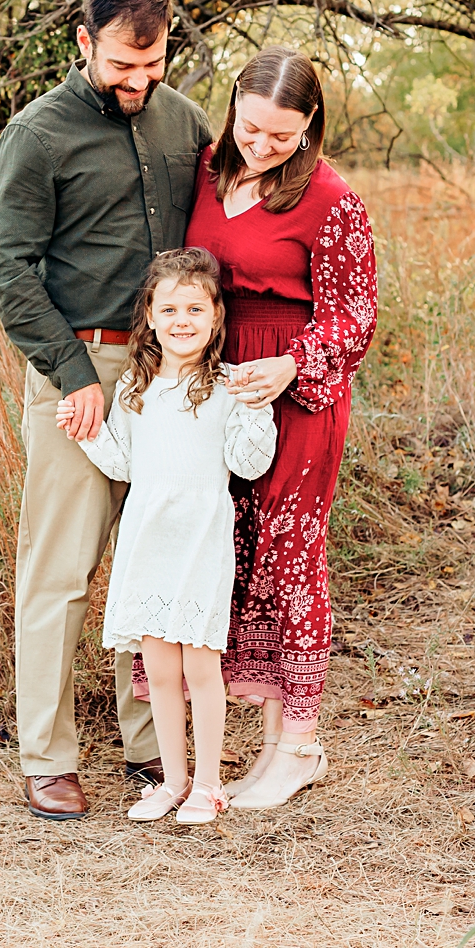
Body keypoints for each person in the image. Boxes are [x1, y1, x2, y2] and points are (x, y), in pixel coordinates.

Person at [0, 0, 217, 820]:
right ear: (84, 43)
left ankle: (153, 746)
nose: (138, 81)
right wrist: (73, 380)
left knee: (157, 559)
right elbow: (7, 272)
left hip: (170, 376)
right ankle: (46, 757)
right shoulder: (36, 135)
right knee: (61, 571)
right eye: (123, 64)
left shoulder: (182, 119)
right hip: (79, 372)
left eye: (151, 65)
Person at [182, 45, 378, 810]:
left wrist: (295, 365)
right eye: (252, 128)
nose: (262, 145)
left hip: (293, 391)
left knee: (291, 554)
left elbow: (355, 315)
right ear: (233, 104)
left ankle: (296, 744)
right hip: (218, 380)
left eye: (282, 135)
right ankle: (256, 742)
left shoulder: (330, 199)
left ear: (311, 127)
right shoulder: (204, 170)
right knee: (229, 551)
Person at [64, 249, 277, 824]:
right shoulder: (137, 385)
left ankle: (209, 784)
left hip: (201, 537)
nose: (182, 320)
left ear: (215, 318)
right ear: (151, 318)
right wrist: (85, 433)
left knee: (201, 669)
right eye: (169, 309)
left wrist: (259, 411)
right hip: (147, 537)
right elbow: (123, 465)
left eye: (195, 309)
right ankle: (173, 781)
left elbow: (250, 465)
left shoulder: (232, 384)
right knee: (159, 669)